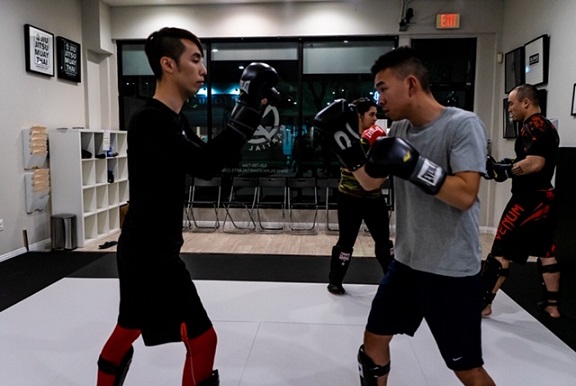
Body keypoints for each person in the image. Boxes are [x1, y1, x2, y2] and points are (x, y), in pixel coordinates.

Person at [96, 27, 278, 386]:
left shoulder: (174, 121)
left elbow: (206, 159)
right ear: (168, 64)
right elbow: (206, 164)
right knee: (202, 338)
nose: (203, 69)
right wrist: (245, 111)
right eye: (195, 59)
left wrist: (251, 113)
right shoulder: (150, 120)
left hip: (146, 247)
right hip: (151, 254)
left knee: (129, 326)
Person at [314, 46, 495, 386]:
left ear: (411, 84)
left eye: (383, 88)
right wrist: (344, 144)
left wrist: (414, 166)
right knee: (373, 344)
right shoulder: (398, 131)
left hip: (451, 270)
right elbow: (370, 182)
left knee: (465, 368)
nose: (378, 98)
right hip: (407, 265)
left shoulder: (462, 125)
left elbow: (465, 194)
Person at [482, 83, 560, 319]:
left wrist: (505, 170)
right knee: (547, 251)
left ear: (526, 102)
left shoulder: (531, 126)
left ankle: (483, 303)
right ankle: (552, 306)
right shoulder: (547, 126)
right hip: (546, 196)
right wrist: (512, 163)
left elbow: (535, 163)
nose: (510, 109)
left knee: (500, 250)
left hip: (528, 200)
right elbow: (532, 159)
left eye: (512, 103)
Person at [327, 97, 393, 295]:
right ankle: (335, 281)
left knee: (383, 241)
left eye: (376, 114)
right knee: (346, 242)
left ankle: (392, 281)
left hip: (374, 198)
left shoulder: (377, 139)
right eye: (371, 114)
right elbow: (366, 169)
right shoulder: (347, 141)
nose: (375, 118)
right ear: (359, 116)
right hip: (350, 198)